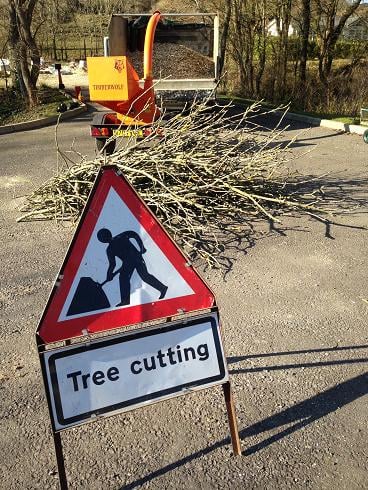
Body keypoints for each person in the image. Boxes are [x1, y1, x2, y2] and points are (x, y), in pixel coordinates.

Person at [97, 228, 168, 306]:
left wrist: (142, 247)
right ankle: (125, 301)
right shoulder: (111, 248)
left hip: (136, 258)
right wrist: (109, 274)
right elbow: (112, 264)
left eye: (104, 237)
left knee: (140, 277)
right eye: (103, 238)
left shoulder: (120, 238)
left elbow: (134, 234)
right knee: (127, 278)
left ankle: (162, 288)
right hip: (129, 262)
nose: (105, 239)